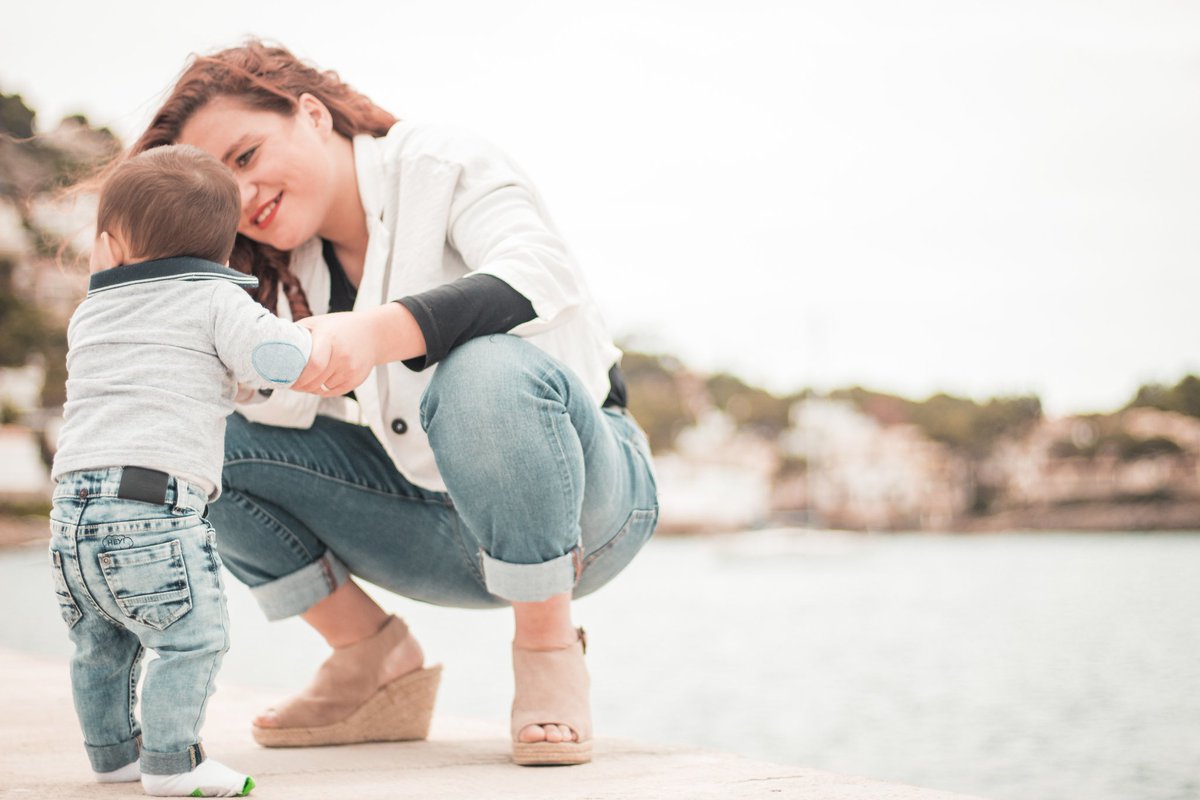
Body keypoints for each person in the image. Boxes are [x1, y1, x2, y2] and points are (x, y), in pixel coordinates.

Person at [128, 39, 660, 766]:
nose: (243, 196)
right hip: (434, 529)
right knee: (188, 436)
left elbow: (541, 271)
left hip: (588, 511)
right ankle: (369, 657)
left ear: (313, 114)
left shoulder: (441, 162)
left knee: (484, 367)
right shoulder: (272, 270)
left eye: (247, 156)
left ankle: (548, 647)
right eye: (222, 187)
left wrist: (376, 333)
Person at [49, 144, 315, 796]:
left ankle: (113, 755)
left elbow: (164, 370)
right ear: (223, 252)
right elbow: (274, 358)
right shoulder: (214, 297)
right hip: (152, 508)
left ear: (109, 247)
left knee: (101, 646)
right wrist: (312, 341)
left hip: (70, 509)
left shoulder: (92, 312)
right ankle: (173, 764)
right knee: (190, 640)